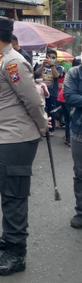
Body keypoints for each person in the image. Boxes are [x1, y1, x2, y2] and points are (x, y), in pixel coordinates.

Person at [0, 16, 48, 276]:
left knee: (15, 195)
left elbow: (33, 101)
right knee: (8, 192)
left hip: (16, 140)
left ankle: (17, 253)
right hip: (3, 139)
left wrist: (42, 126)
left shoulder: (14, 62)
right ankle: (10, 236)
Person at [63, 57, 82, 229]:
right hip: (79, 130)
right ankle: (81, 212)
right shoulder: (74, 73)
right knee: (80, 172)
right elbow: (69, 96)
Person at [36, 49, 63, 135]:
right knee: (41, 111)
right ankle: (42, 129)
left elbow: (56, 75)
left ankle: (51, 129)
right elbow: (36, 74)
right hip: (41, 93)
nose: (51, 59)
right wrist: (43, 65)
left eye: (53, 58)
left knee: (51, 111)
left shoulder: (58, 67)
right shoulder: (40, 65)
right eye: (50, 57)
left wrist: (52, 66)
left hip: (52, 92)